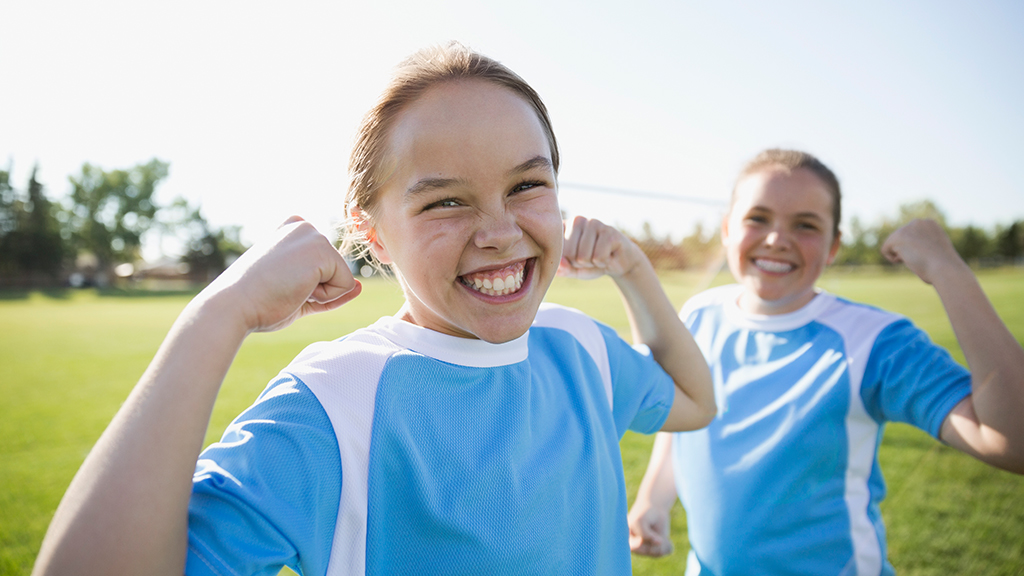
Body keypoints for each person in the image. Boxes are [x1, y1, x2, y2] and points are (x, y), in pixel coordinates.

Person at [32, 43, 716, 576]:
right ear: (372, 236)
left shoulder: (579, 346)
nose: (500, 230)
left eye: (527, 184)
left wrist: (632, 269)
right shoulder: (333, 404)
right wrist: (218, 316)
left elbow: (696, 401)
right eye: (445, 200)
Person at [627, 148, 1024, 575]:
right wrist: (654, 497)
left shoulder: (876, 343)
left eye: (806, 225)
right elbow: (684, 421)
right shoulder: (698, 315)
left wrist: (948, 269)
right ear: (727, 230)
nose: (777, 238)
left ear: (834, 245)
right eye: (757, 218)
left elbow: (1011, 441)